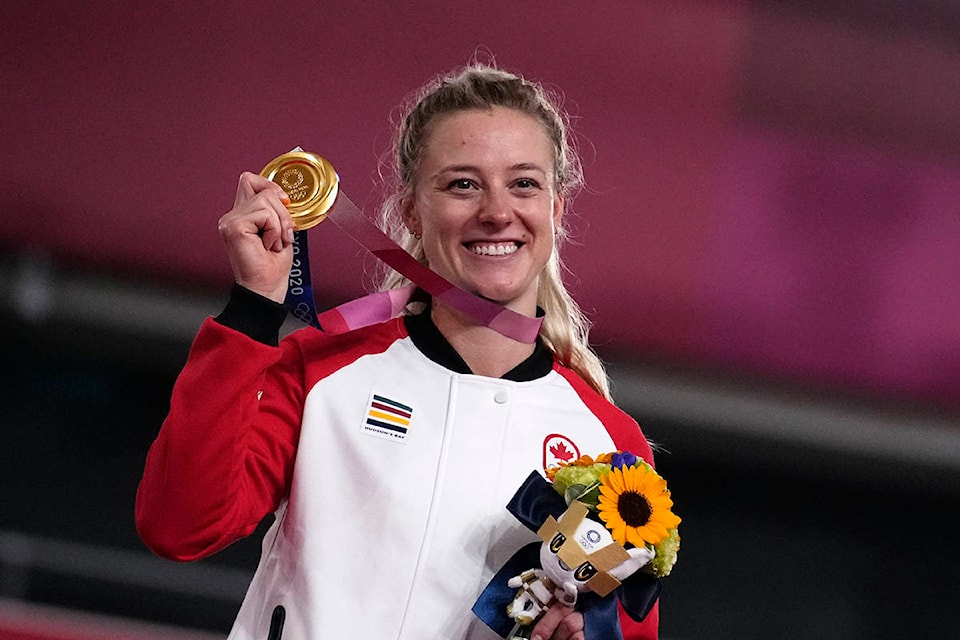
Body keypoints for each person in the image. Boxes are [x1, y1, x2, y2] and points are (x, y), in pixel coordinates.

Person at [136, 63, 660, 640]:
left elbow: (620, 626)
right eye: (463, 183)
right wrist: (254, 307)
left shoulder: (610, 447)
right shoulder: (324, 372)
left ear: (556, 209)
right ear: (412, 210)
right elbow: (179, 526)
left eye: (524, 184)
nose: (496, 211)